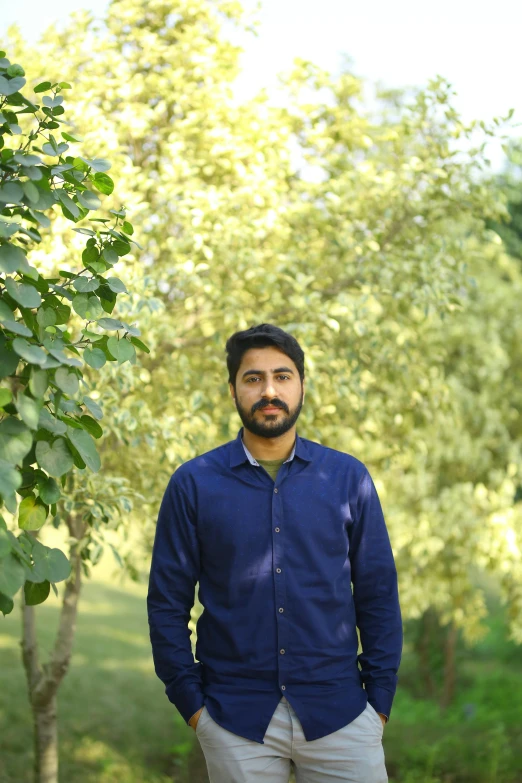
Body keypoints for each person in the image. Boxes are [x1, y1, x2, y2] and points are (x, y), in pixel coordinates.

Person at [147, 323, 402, 783]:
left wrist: (379, 701)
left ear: (302, 385)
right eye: (253, 378)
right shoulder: (194, 484)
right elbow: (167, 603)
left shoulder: (347, 479)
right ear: (233, 390)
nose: (269, 391)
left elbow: (378, 593)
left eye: (283, 377)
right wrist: (192, 707)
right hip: (234, 721)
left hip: (341, 716)